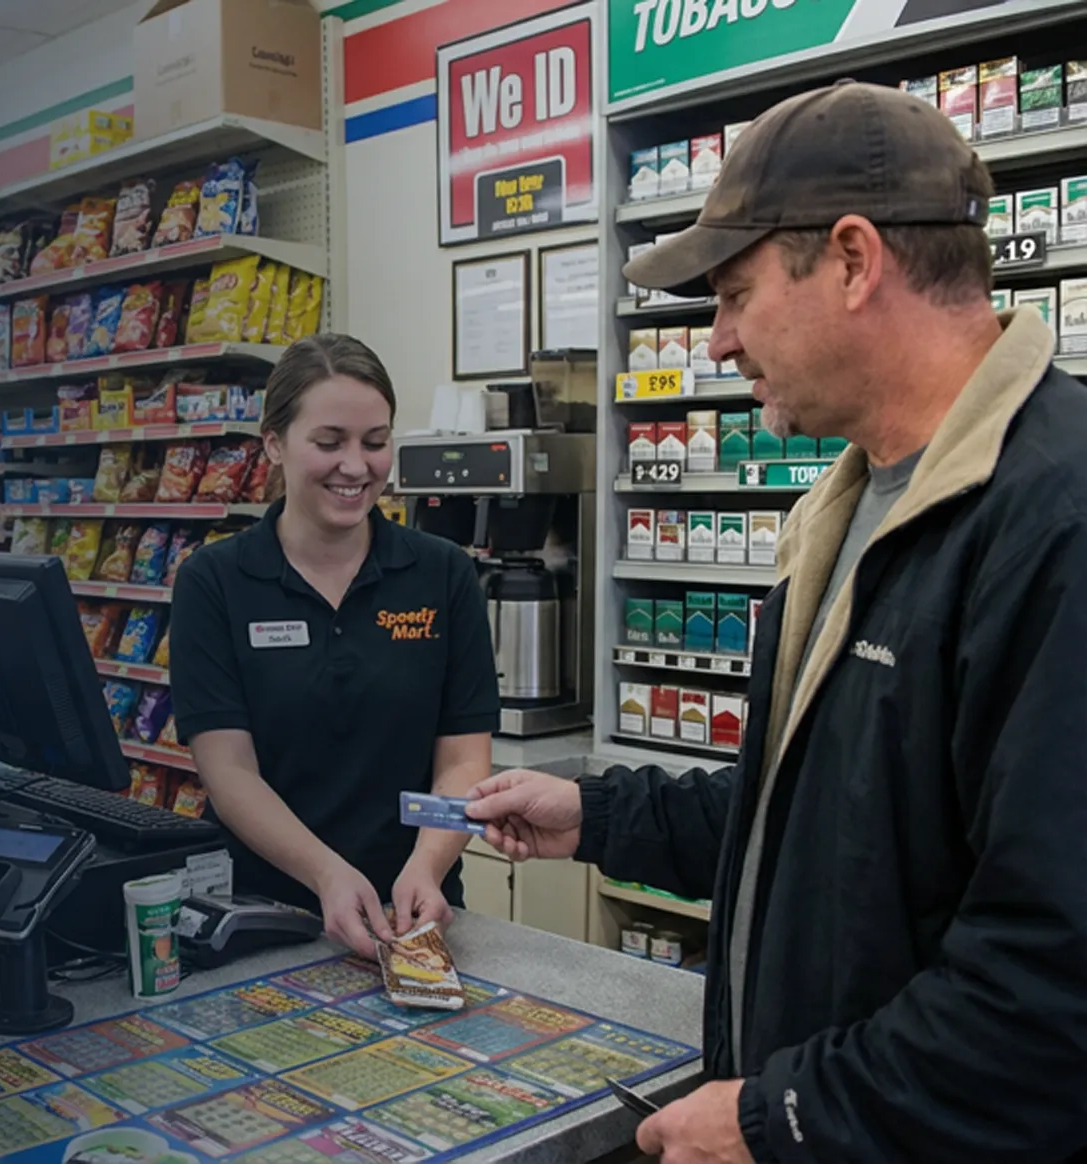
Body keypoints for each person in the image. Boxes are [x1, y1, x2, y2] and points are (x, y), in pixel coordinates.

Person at [465, 80, 1087, 1164]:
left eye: (733, 294)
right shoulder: (845, 507)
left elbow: (1053, 986)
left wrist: (784, 1114)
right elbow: (825, 824)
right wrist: (596, 814)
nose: (714, 343)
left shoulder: (1056, 517)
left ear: (851, 261)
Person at [169, 334, 500, 958]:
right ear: (274, 443)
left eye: (375, 443)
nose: (356, 466)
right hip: (260, 913)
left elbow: (462, 759)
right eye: (329, 443)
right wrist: (326, 874)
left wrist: (428, 866)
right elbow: (229, 770)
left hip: (416, 912)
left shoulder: (444, 574)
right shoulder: (214, 581)